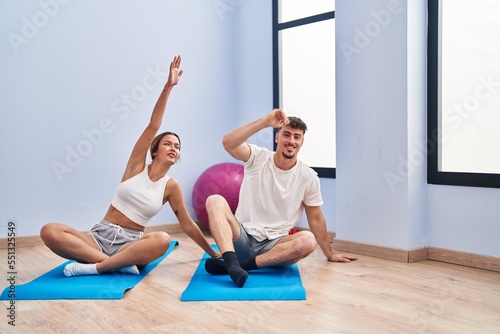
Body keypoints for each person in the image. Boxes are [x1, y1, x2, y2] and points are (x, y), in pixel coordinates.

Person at [40, 55, 220, 277]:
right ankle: (113, 264)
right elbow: (154, 125)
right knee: (49, 231)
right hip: (98, 237)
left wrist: (212, 252)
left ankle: (96, 267)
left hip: (130, 244)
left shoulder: (170, 186)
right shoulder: (136, 166)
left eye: (177, 146)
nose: (174, 148)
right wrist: (168, 87)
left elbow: (188, 225)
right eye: (168, 143)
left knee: (162, 239)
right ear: (155, 150)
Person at [204, 109, 357, 287]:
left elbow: (315, 218)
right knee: (214, 200)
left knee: (308, 240)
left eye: (296, 137)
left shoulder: (308, 176)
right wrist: (265, 122)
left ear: (302, 142)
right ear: (277, 138)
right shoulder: (258, 158)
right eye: (286, 135)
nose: (291, 141)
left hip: (275, 247)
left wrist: (329, 254)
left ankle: (235, 267)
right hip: (242, 238)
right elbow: (228, 143)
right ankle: (232, 263)